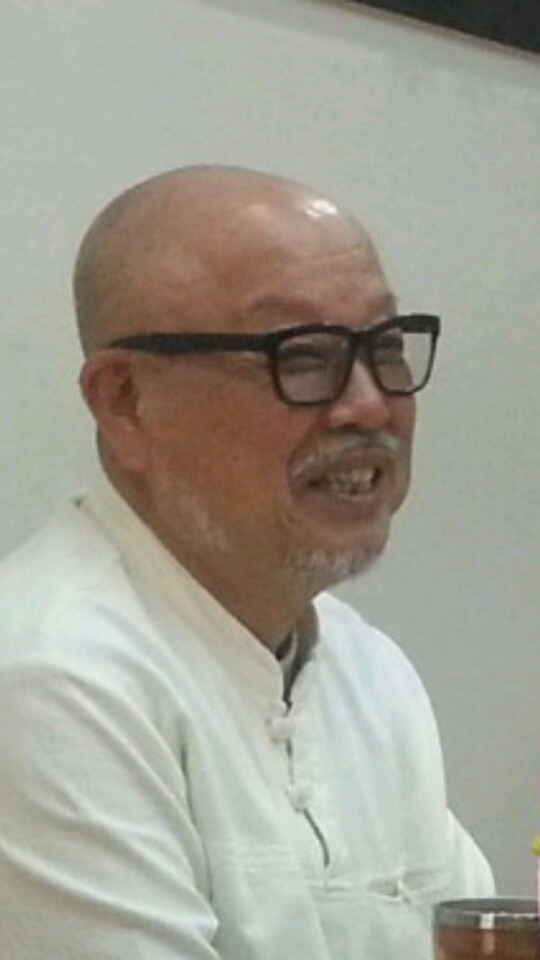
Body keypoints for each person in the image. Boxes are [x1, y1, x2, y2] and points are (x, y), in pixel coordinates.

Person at [0, 166, 493, 960]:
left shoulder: (370, 671)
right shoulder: (50, 684)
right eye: (302, 356)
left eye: (385, 347)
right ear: (125, 401)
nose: (370, 405)